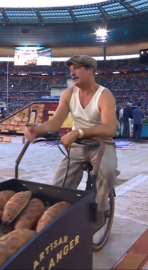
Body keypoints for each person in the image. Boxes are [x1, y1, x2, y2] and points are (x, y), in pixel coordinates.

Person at [23, 55, 119, 227]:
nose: (72, 72)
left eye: (77, 68)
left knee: (107, 170)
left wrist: (78, 132)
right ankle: (60, 214)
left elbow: (109, 128)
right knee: (58, 186)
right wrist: (36, 130)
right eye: (70, 70)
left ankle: (101, 209)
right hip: (78, 147)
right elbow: (55, 122)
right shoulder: (68, 94)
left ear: (90, 70)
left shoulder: (104, 95)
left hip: (101, 145)